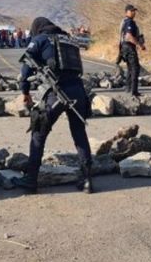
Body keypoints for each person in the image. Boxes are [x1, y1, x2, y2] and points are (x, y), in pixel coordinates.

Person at [11, 17, 93, 195]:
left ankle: (31, 180)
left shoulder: (40, 39)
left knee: (38, 132)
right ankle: (87, 179)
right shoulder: (69, 40)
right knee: (79, 132)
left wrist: (25, 92)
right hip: (78, 90)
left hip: (57, 91)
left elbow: (26, 69)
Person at [119, 4, 145, 96]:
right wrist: (139, 45)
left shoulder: (126, 21)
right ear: (127, 12)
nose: (134, 12)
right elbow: (128, 36)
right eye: (132, 11)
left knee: (130, 69)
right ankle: (133, 91)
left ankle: (128, 89)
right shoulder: (129, 22)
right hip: (129, 47)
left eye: (134, 10)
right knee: (135, 68)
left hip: (126, 48)